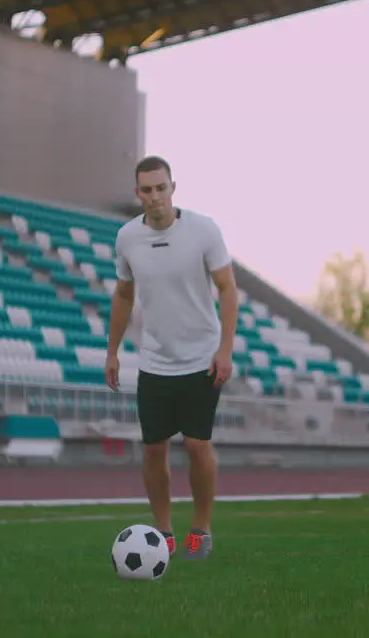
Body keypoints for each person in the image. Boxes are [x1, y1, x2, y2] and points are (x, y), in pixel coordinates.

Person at [105, 155, 238, 561]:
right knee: (153, 449)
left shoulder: (203, 230)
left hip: (201, 357)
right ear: (138, 193)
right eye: (147, 190)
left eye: (161, 188)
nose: (155, 196)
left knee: (197, 445)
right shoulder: (127, 238)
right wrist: (112, 351)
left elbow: (228, 289)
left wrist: (225, 348)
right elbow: (124, 294)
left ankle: (201, 528)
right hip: (154, 361)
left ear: (173, 188)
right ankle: (163, 533)